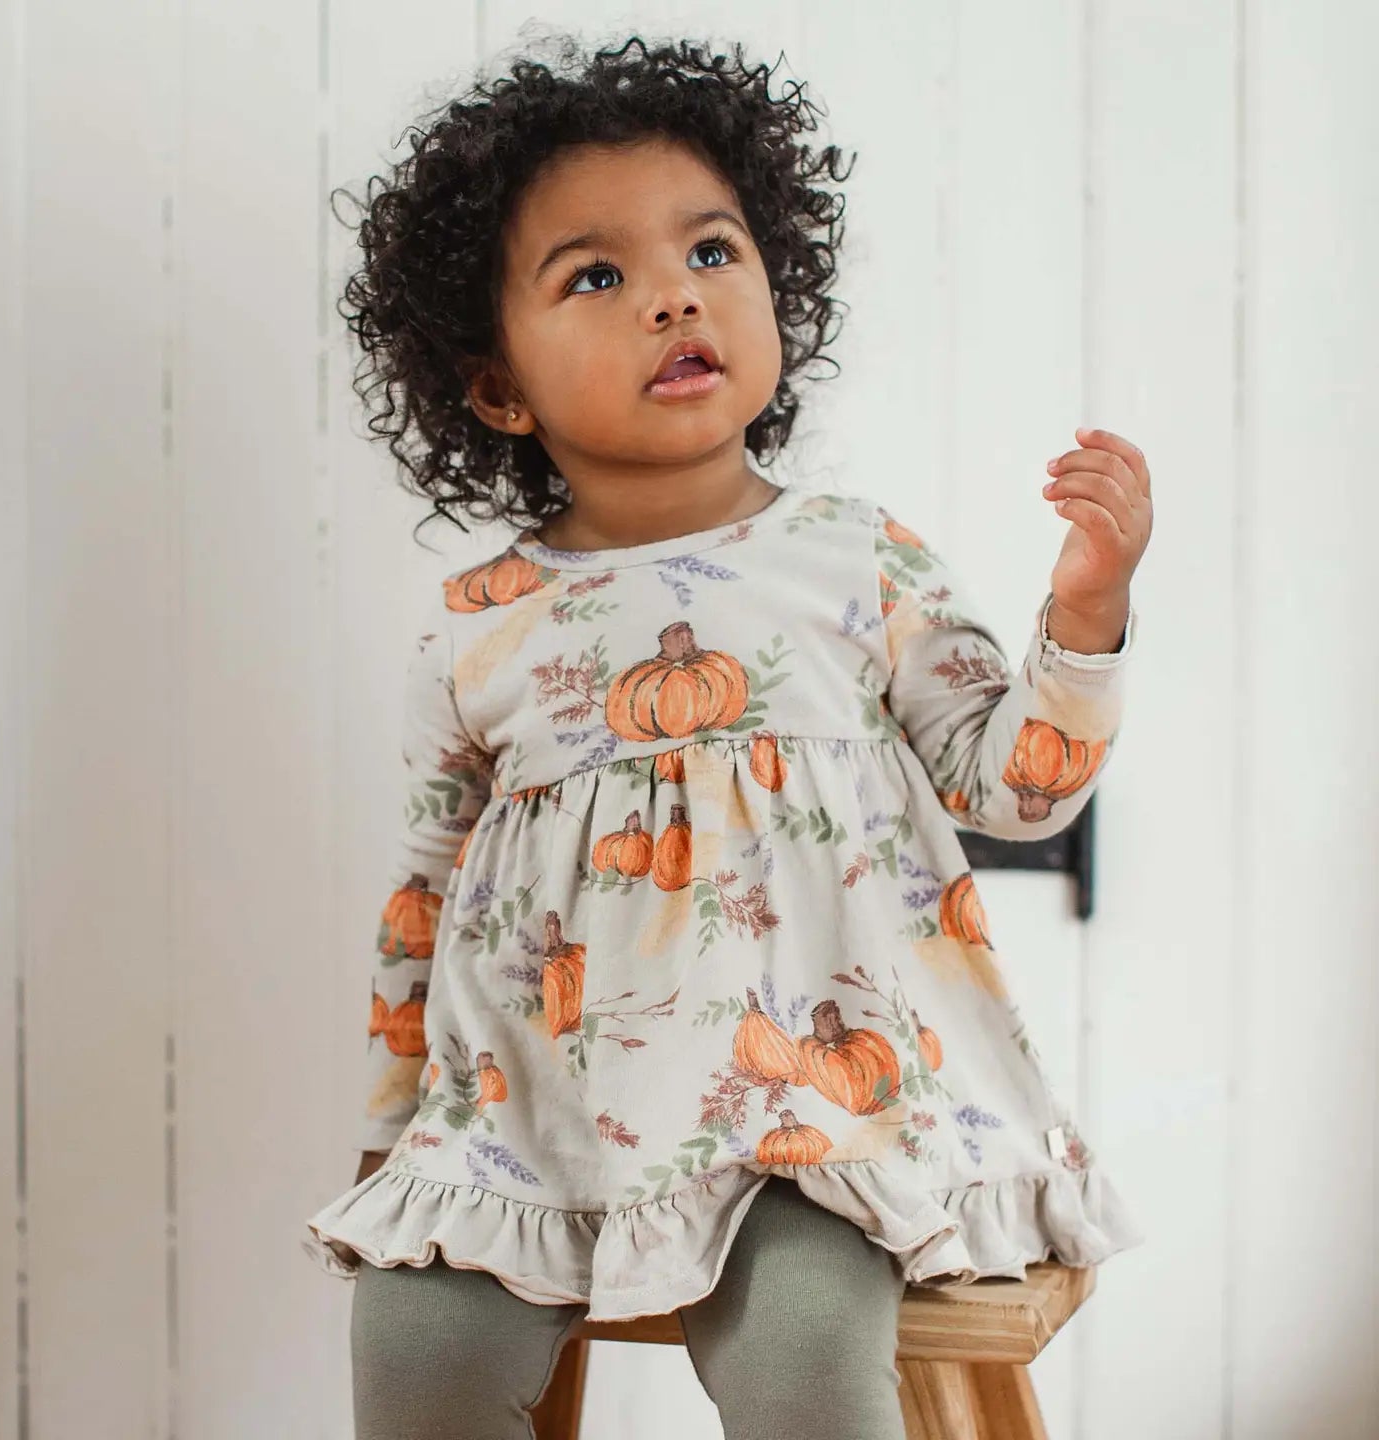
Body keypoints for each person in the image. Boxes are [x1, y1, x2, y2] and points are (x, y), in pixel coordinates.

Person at [303, 31, 1153, 1440]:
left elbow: (1021, 788)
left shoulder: (855, 562)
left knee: (810, 1351)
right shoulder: (481, 627)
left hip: (811, 1123)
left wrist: (1085, 612)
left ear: (775, 288)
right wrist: (404, 1142)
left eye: (711, 252)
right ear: (497, 387)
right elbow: (425, 901)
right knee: (411, 1345)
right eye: (598, 275)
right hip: (534, 1123)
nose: (672, 299)